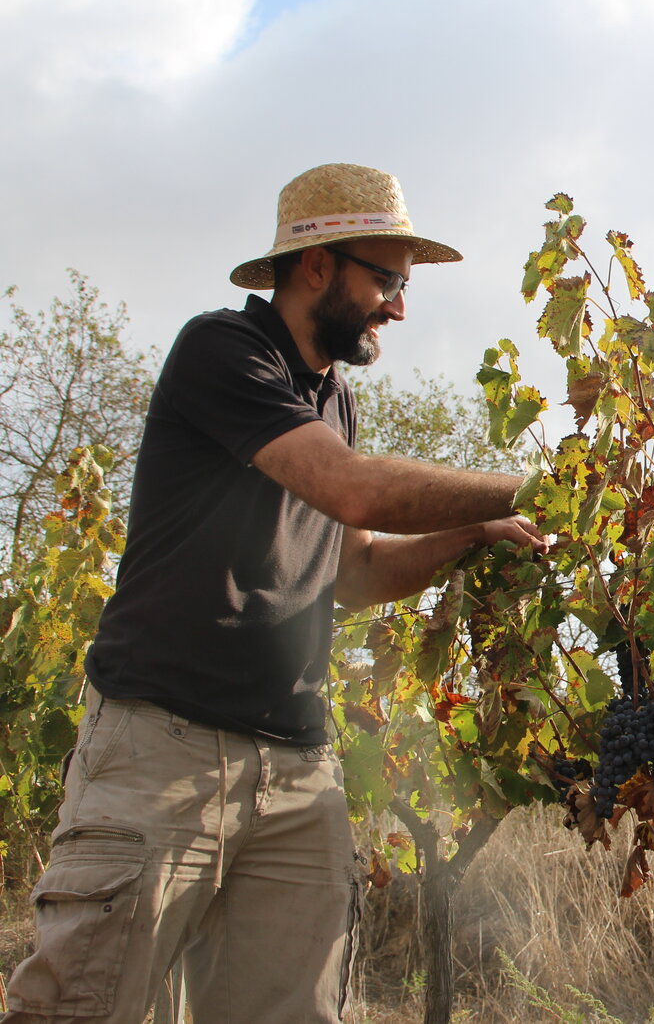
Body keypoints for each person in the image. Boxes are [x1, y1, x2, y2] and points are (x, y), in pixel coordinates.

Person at [2, 163, 550, 1024]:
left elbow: (356, 570)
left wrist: (471, 537)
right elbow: (353, 491)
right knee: (82, 1005)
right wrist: (531, 490)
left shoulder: (337, 402)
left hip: (296, 766)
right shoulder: (222, 349)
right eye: (388, 280)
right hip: (162, 746)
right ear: (318, 266)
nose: (400, 307)